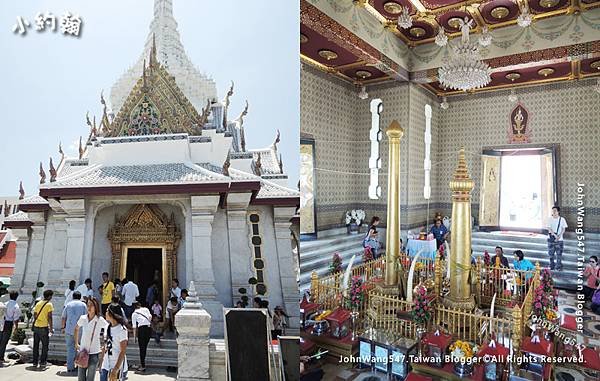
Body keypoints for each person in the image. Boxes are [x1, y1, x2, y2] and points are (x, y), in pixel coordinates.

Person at [74, 297, 107, 381]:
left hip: (94, 352)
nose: (89, 307)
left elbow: (108, 328)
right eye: (87, 305)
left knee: (90, 378)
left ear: (96, 307)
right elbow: (76, 328)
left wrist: (105, 343)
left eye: (91, 305)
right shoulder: (83, 318)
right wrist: (76, 343)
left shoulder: (100, 319)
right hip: (83, 351)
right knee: (81, 378)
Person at [100, 304, 129, 381]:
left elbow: (123, 351)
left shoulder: (122, 330)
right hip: (106, 364)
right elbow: (105, 346)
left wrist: (116, 369)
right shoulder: (107, 327)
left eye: (107, 311)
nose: (105, 313)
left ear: (111, 313)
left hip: (118, 365)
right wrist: (101, 362)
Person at [61, 291, 87, 373]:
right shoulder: (83, 305)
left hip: (69, 329)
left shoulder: (68, 305)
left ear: (73, 296)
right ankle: (79, 365)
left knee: (70, 348)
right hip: (80, 330)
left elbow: (63, 317)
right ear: (80, 297)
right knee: (80, 348)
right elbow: (87, 317)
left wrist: (62, 327)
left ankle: (70, 367)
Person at [32, 289, 54, 368]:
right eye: (51, 296)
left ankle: (35, 362)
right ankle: (43, 362)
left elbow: (34, 314)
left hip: (36, 327)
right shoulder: (49, 304)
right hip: (44, 328)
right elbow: (50, 317)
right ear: (49, 296)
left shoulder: (38, 303)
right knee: (45, 346)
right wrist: (51, 328)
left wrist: (39, 320)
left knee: (36, 346)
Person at [0, 291, 21, 363]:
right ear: (17, 297)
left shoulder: (5, 303)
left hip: (2, 322)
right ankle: (1, 358)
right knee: (4, 342)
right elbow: (16, 319)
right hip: (8, 324)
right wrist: (16, 327)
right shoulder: (16, 306)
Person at [131, 301, 152, 371]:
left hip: (142, 330)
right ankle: (142, 363)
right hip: (149, 329)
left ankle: (143, 366)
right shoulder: (146, 309)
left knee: (142, 348)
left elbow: (134, 327)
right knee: (144, 348)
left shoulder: (134, 314)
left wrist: (134, 337)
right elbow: (150, 317)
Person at [547, 206, 568, 271]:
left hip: (560, 240)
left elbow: (563, 229)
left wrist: (559, 236)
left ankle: (558, 266)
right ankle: (551, 265)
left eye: (555, 210)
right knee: (551, 254)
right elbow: (549, 228)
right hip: (551, 239)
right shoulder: (550, 219)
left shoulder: (562, 219)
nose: (554, 212)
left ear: (558, 211)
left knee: (559, 254)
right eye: (553, 210)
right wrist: (555, 235)